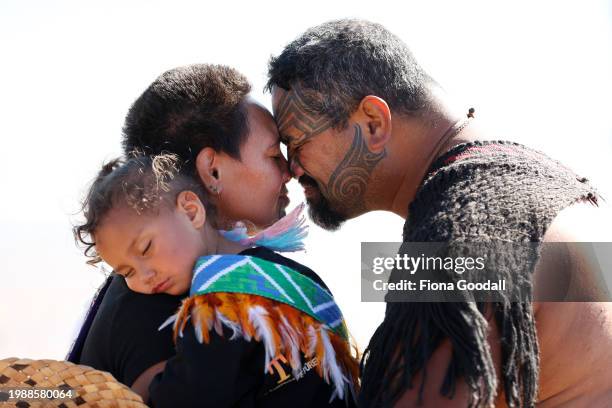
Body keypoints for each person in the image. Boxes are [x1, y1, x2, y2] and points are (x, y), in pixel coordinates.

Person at [266, 19, 612, 407]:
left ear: (374, 123)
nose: (291, 169)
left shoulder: (462, 229)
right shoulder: (553, 187)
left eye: (295, 144)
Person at [67, 64, 357, 405]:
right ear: (212, 170)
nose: (289, 170)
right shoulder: (157, 297)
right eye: (272, 154)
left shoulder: (207, 273)